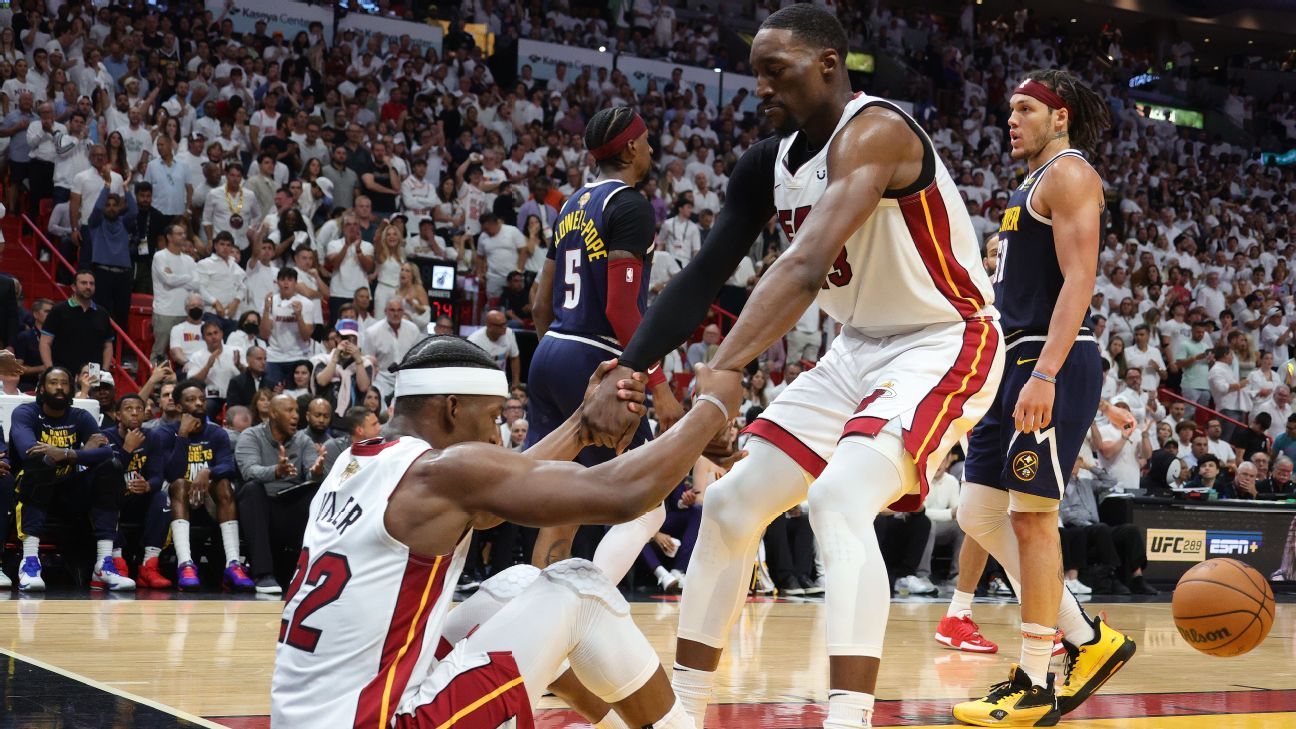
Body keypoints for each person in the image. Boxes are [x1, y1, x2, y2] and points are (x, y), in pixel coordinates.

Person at [581, 8, 1002, 727]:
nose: (762, 88)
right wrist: (630, 363)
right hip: (857, 347)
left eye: (778, 71)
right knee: (729, 504)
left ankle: (848, 716)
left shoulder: (876, 131)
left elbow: (805, 266)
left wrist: (725, 364)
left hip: (945, 338)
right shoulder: (766, 165)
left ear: (829, 65)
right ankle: (684, 708)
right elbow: (706, 272)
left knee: (838, 496)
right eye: (757, 74)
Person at [270, 335, 744, 729]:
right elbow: (625, 494)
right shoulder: (438, 473)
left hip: (320, 713)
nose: (497, 433)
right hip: (383, 722)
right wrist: (709, 409)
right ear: (452, 408)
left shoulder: (356, 461)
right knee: (580, 587)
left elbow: (502, 484)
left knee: (519, 584)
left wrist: (581, 426)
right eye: (491, 414)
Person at [954, 69, 1136, 725]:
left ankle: (1035, 679)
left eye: (1026, 108)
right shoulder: (1030, 184)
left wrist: (1047, 372)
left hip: (1046, 359)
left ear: (1059, 117)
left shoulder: (1070, 175)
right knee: (977, 511)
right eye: (1010, 109)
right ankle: (1090, 637)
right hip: (1010, 359)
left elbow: (1079, 279)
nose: (1012, 118)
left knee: (1032, 516)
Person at [524, 106, 685, 580]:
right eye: (648, 141)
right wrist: (657, 385)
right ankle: (584, 612)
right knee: (649, 502)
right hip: (595, 357)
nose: (652, 150)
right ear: (632, 147)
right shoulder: (630, 204)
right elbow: (621, 309)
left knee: (560, 505)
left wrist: (557, 350)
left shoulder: (572, 204)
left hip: (551, 348)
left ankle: (537, 623)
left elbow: (539, 303)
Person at [9, 367, 135, 591]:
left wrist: (68, 454)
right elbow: (29, 450)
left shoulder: (81, 416)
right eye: (53, 383)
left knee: (110, 468)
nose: (59, 387)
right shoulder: (25, 413)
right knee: (41, 464)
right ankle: (29, 562)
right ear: (41, 389)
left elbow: (106, 453)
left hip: (68, 491)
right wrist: (81, 452)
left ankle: (104, 564)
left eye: (64, 383)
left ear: (71, 389)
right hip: (29, 490)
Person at [163, 378, 253, 591]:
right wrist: (183, 435)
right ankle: (186, 564)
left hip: (211, 501)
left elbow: (229, 466)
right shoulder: (166, 433)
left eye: (202, 399)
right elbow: (171, 472)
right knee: (179, 483)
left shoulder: (216, 433)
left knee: (223, 484)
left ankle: (233, 564)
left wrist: (208, 471)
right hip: (177, 501)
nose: (199, 403)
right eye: (191, 400)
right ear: (178, 406)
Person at [235, 393, 326, 593]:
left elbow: (312, 469)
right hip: (262, 507)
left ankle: (313, 573)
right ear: (274, 414)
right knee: (251, 489)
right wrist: (275, 471)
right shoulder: (251, 436)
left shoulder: (303, 440)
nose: (295, 416)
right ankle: (263, 574)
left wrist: (317, 472)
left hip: (290, 507)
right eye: (289, 411)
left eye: (297, 411)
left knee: (318, 491)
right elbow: (249, 471)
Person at [102, 393, 174, 589]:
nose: (134, 413)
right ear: (117, 415)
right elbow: (107, 476)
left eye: (139, 409)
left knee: (162, 497)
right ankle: (117, 563)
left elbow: (158, 475)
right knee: (106, 495)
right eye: (128, 409)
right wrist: (127, 449)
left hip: (140, 499)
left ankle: (149, 566)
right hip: (115, 499)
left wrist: (148, 485)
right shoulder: (106, 437)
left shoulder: (153, 438)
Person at [39, 269, 115, 376]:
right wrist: (51, 370)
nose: (88, 286)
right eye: (83, 283)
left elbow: (108, 346)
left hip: (93, 373)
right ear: (74, 287)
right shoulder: (59, 310)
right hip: (63, 373)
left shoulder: (102, 313)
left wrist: (104, 372)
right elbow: (45, 342)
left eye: (91, 283)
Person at [261, 269, 321, 388]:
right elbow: (264, 334)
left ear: (295, 282)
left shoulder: (307, 304)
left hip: (299, 356)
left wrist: (299, 316)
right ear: (277, 282)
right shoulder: (270, 302)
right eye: (282, 280)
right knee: (272, 395)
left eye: (290, 280)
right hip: (275, 357)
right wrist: (266, 310)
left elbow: (306, 336)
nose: (286, 283)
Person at [466, 309, 522, 386]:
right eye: (501, 325)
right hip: (480, 382)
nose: (505, 327)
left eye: (505, 323)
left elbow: (515, 357)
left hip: (501, 381)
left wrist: (516, 382)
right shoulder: (474, 341)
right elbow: (469, 369)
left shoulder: (509, 333)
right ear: (489, 326)